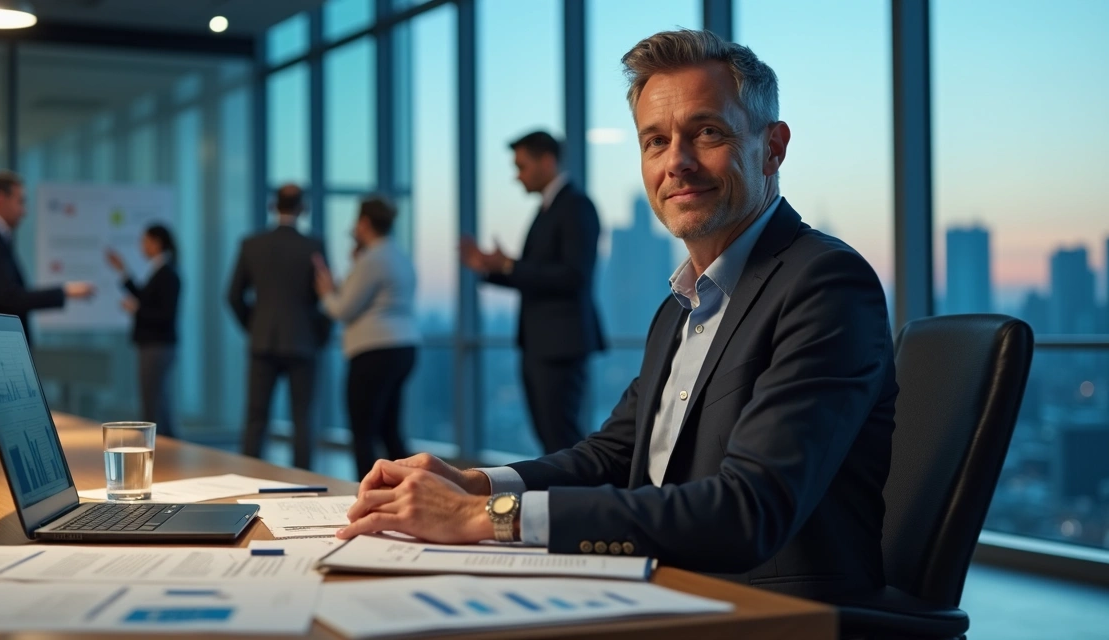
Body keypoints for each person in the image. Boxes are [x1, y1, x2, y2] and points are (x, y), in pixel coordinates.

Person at [341, 29, 898, 602]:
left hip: (768, 609)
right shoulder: (681, 305)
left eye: (707, 132)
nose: (676, 162)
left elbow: (746, 511)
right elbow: (610, 456)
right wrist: (474, 483)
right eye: (655, 141)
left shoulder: (824, 283)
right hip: (664, 585)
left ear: (773, 148)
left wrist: (485, 516)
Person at [460, 131, 606, 455]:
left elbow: (574, 276)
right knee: (551, 437)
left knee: (561, 437)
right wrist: (493, 268)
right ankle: (564, 500)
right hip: (542, 343)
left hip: (560, 345)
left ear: (547, 161)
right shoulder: (549, 209)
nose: (517, 176)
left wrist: (510, 265)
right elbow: (539, 275)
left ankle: (576, 502)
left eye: (521, 166)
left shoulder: (576, 206)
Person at [0, 171, 95, 405]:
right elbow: (7, 296)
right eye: (20, 201)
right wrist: (65, 291)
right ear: (0, 198)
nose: (24, 211)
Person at [312, 197, 420, 480]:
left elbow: (343, 309)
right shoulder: (399, 255)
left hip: (373, 352)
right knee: (390, 430)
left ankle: (366, 494)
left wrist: (325, 291)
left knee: (363, 432)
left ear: (365, 223)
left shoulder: (372, 259)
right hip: (404, 347)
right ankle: (414, 487)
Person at [227, 183, 329, 468]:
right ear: (303, 208)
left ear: (273, 206)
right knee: (303, 420)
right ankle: (305, 485)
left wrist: (255, 326)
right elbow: (325, 297)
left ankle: (247, 479)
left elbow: (233, 296)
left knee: (256, 419)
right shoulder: (313, 246)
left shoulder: (252, 244)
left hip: (263, 340)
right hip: (302, 340)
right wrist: (318, 336)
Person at [106, 225, 181, 438]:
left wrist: (137, 309)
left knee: (154, 403)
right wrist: (123, 271)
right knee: (158, 401)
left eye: (145, 241)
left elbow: (164, 314)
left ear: (156, 243)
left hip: (157, 346)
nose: (142, 246)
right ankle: (164, 451)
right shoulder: (160, 271)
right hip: (154, 345)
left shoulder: (167, 274)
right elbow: (145, 297)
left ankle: (159, 451)